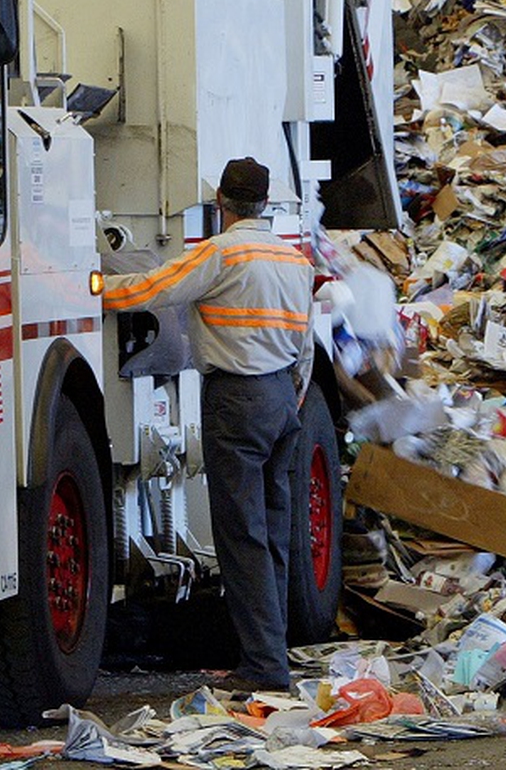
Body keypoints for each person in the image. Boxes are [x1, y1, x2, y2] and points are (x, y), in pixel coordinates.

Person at [99, 156, 315, 691]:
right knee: (273, 534)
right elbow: (306, 347)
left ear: (221, 202)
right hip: (284, 401)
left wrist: (90, 287)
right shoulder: (294, 260)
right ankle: (275, 653)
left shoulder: (221, 252)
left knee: (241, 538)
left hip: (237, 402)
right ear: (264, 203)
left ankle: (264, 667)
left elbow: (153, 288)